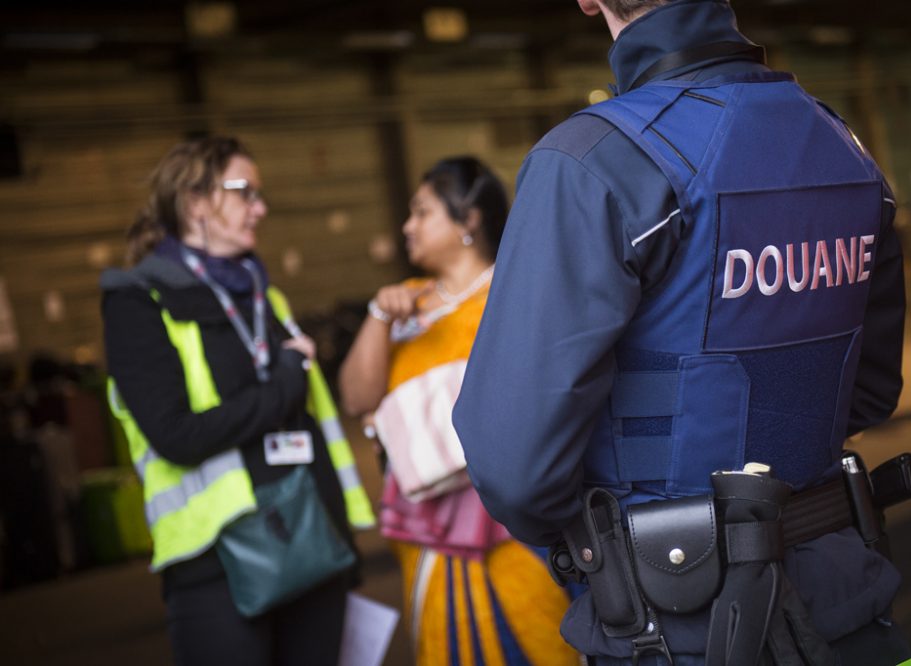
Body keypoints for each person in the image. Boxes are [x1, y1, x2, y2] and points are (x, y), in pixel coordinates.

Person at [453, 1, 909, 665]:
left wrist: (598, 544)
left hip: (676, 622)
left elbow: (516, 466)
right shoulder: (842, 144)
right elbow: (868, 393)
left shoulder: (593, 161)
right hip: (847, 596)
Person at [101, 136, 374, 666]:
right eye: (244, 192)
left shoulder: (263, 296)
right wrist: (283, 388)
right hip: (217, 565)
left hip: (312, 542)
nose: (261, 208)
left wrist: (342, 543)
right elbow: (176, 435)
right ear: (195, 201)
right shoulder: (138, 302)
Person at [338, 156, 579, 665]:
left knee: (541, 640)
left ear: (468, 220)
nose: (407, 226)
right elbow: (357, 399)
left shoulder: (517, 291)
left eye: (422, 212)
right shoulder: (402, 304)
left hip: (516, 526)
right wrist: (378, 318)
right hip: (431, 535)